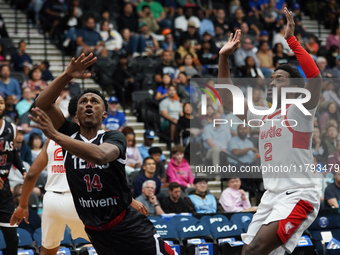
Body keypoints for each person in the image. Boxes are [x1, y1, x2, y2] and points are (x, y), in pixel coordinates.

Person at [10, 53, 175, 255]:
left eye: (95, 102)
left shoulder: (114, 137)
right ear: (76, 114)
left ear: (105, 113)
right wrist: (67, 75)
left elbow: (100, 156)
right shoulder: (69, 132)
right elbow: (42, 104)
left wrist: (55, 135)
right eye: (83, 101)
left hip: (125, 224)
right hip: (95, 231)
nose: (88, 103)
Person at [217, 7, 322, 254]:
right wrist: (223, 58)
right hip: (271, 197)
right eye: (272, 77)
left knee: (254, 251)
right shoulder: (263, 114)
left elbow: (315, 77)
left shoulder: (300, 110)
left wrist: (291, 40)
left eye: (280, 78)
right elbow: (228, 100)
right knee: (248, 252)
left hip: (299, 194)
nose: (273, 81)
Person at [11, 111, 90, 255]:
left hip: (51, 200)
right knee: (101, 243)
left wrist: (23, 204)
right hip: (77, 199)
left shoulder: (51, 140)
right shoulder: (90, 139)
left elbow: (31, 175)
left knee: (48, 250)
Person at [0, 93, 27, 255]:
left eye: (1, 102)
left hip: (4, 189)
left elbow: (13, 153)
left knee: (12, 236)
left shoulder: (11, 127)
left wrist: (23, 170)